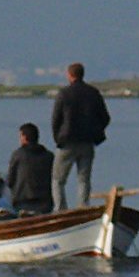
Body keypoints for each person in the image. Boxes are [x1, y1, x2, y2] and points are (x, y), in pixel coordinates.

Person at [50, 62, 110, 210]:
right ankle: (83, 206)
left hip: (67, 142)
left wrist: (58, 138)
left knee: (58, 180)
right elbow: (105, 117)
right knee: (83, 179)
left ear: (69, 75)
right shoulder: (93, 93)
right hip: (87, 142)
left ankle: (60, 209)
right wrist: (96, 133)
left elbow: (55, 119)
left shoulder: (64, 94)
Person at [6, 122, 54, 214]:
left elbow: (10, 181)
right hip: (45, 202)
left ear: (24, 137)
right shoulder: (49, 156)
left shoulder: (18, 155)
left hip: (23, 201)